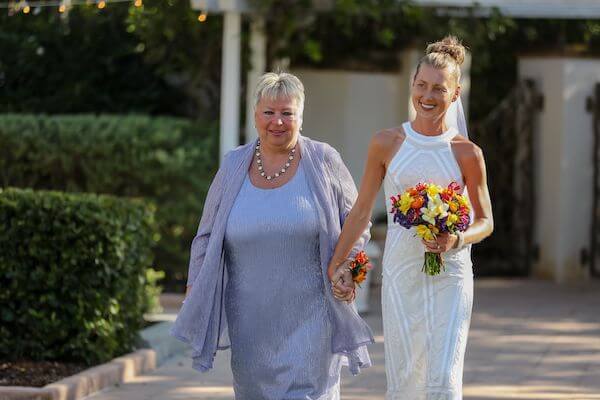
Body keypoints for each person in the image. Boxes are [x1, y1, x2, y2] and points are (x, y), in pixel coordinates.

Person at [171, 71, 373, 400]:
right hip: (250, 325)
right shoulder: (234, 164)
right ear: (255, 115)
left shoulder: (324, 160)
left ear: (300, 116)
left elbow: (356, 223)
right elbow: (205, 237)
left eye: (287, 113)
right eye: (269, 112)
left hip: (312, 318)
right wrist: (195, 291)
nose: (277, 121)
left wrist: (349, 267)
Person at [328, 36, 494, 399]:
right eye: (421, 85)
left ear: (455, 94)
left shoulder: (467, 153)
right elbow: (360, 210)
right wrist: (339, 261)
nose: (428, 96)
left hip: (450, 274)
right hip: (402, 271)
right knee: (405, 378)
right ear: (412, 86)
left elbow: (486, 221)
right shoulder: (385, 143)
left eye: (439, 88)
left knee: (443, 381)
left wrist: (457, 239)